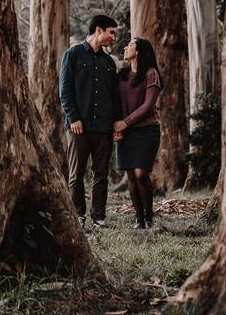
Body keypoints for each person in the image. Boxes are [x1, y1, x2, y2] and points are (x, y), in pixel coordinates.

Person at [58, 14, 123, 228]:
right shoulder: (73, 55)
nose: (113, 37)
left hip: (103, 127)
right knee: (77, 174)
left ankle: (99, 217)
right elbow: (64, 91)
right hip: (79, 127)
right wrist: (73, 118)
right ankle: (78, 215)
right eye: (111, 32)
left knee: (101, 174)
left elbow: (114, 96)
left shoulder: (108, 63)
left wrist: (117, 122)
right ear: (98, 30)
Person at [113, 37, 162, 229]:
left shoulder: (151, 74)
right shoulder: (121, 75)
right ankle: (139, 218)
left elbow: (148, 105)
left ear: (140, 51)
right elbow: (116, 103)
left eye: (130, 45)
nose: (125, 47)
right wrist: (117, 127)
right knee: (131, 176)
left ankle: (149, 217)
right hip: (125, 132)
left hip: (147, 130)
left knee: (141, 174)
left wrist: (125, 123)